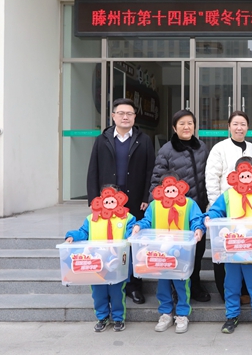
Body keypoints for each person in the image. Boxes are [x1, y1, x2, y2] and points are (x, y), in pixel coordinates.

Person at [86, 97, 155, 304]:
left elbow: (150, 170)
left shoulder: (144, 140)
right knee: (108, 242)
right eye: (121, 113)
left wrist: (146, 197)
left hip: (135, 200)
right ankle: (109, 282)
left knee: (133, 243)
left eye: (129, 113)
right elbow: (93, 170)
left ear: (134, 117)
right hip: (107, 202)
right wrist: (94, 200)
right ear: (113, 116)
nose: (125, 117)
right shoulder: (102, 140)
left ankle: (134, 286)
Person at [203, 157, 252, 335]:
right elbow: (216, 210)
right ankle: (231, 316)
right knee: (231, 285)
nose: (246, 177)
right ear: (236, 174)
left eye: (249, 173)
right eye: (242, 173)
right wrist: (209, 217)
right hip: (232, 250)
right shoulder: (228, 195)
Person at [128, 174, 205, 334]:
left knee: (182, 284)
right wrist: (138, 226)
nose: (170, 192)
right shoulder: (155, 205)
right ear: (161, 189)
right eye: (167, 189)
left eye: (173, 188)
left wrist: (198, 229)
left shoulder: (189, 204)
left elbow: (197, 219)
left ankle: (182, 314)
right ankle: (165, 313)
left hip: (182, 253)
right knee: (163, 284)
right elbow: (147, 221)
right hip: (160, 254)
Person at [149, 110, 211, 302]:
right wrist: (154, 206)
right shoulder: (166, 150)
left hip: (197, 208)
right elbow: (157, 179)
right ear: (174, 128)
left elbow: (208, 176)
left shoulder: (202, 147)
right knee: (175, 249)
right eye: (182, 124)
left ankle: (195, 284)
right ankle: (175, 287)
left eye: (190, 123)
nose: (186, 127)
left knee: (198, 248)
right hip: (174, 210)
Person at [64, 185, 136, 333]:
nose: (109, 203)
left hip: (117, 264)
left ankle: (118, 318)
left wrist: (132, 235)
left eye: (112, 199)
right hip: (96, 263)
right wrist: (72, 236)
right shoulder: (92, 218)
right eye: (106, 200)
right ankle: (102, 317)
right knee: (98, 293)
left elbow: (131, 232)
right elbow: (83, 232)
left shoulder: (127, 217)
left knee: (117, 293)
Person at [205, 110, 252, 300]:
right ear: (229, 127)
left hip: (249, 211)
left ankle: (245, 292)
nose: (239, 128)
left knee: (245, 248)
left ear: (248, 127)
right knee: (224, 250)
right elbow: (212, 178)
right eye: (235, 124)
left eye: (243, 124)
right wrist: (216, 206)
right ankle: (225, 293)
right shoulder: (219, 148)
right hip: (225, 209)